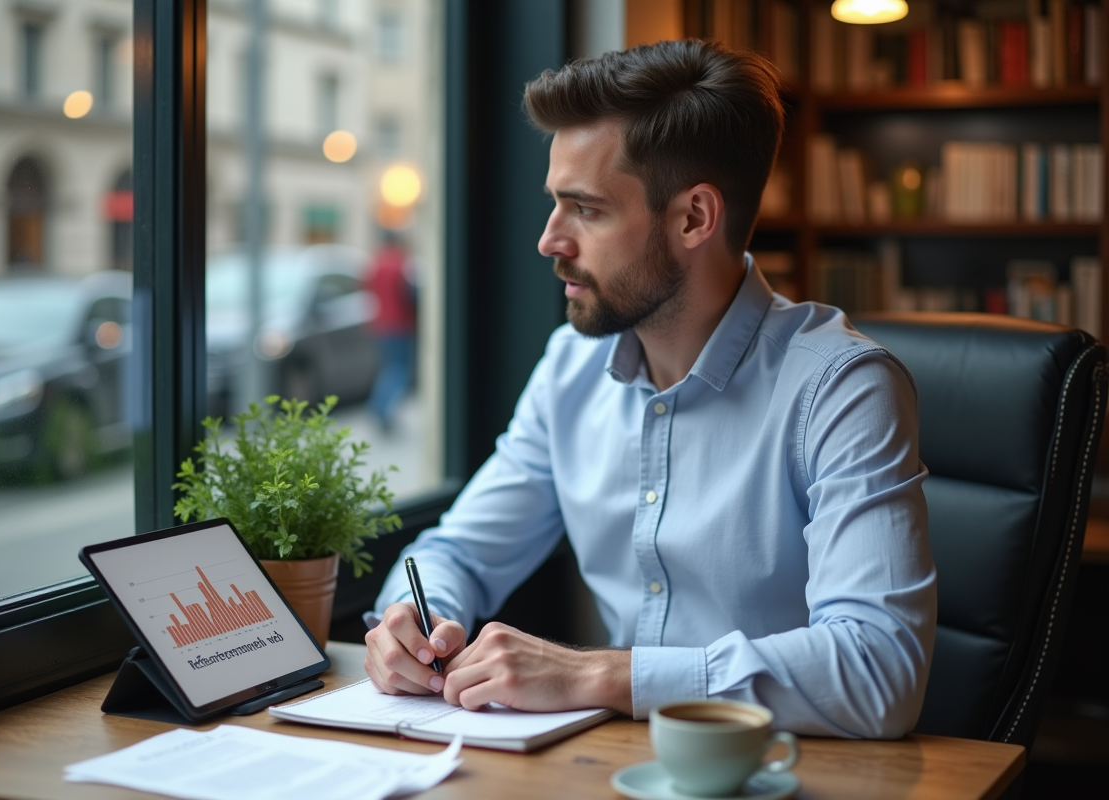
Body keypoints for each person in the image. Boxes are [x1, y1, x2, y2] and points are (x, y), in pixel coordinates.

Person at [363, 40, 936, 739]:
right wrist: (412, 623)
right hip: (612, 770)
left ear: (694, 217)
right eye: (554, 204)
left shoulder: (841, 388)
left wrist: (599, 674)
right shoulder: (570, 368)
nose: (549, 240)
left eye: (587, 210)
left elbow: (879, 672)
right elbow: (457, 552)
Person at [365, 230, 417, 432]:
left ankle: (380, 407)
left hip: (380, 325)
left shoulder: (375, 263)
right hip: (400, 325)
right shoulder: (399, 263)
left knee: (389, 368)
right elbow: (409, 295)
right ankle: (380, 408)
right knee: (398, 369)